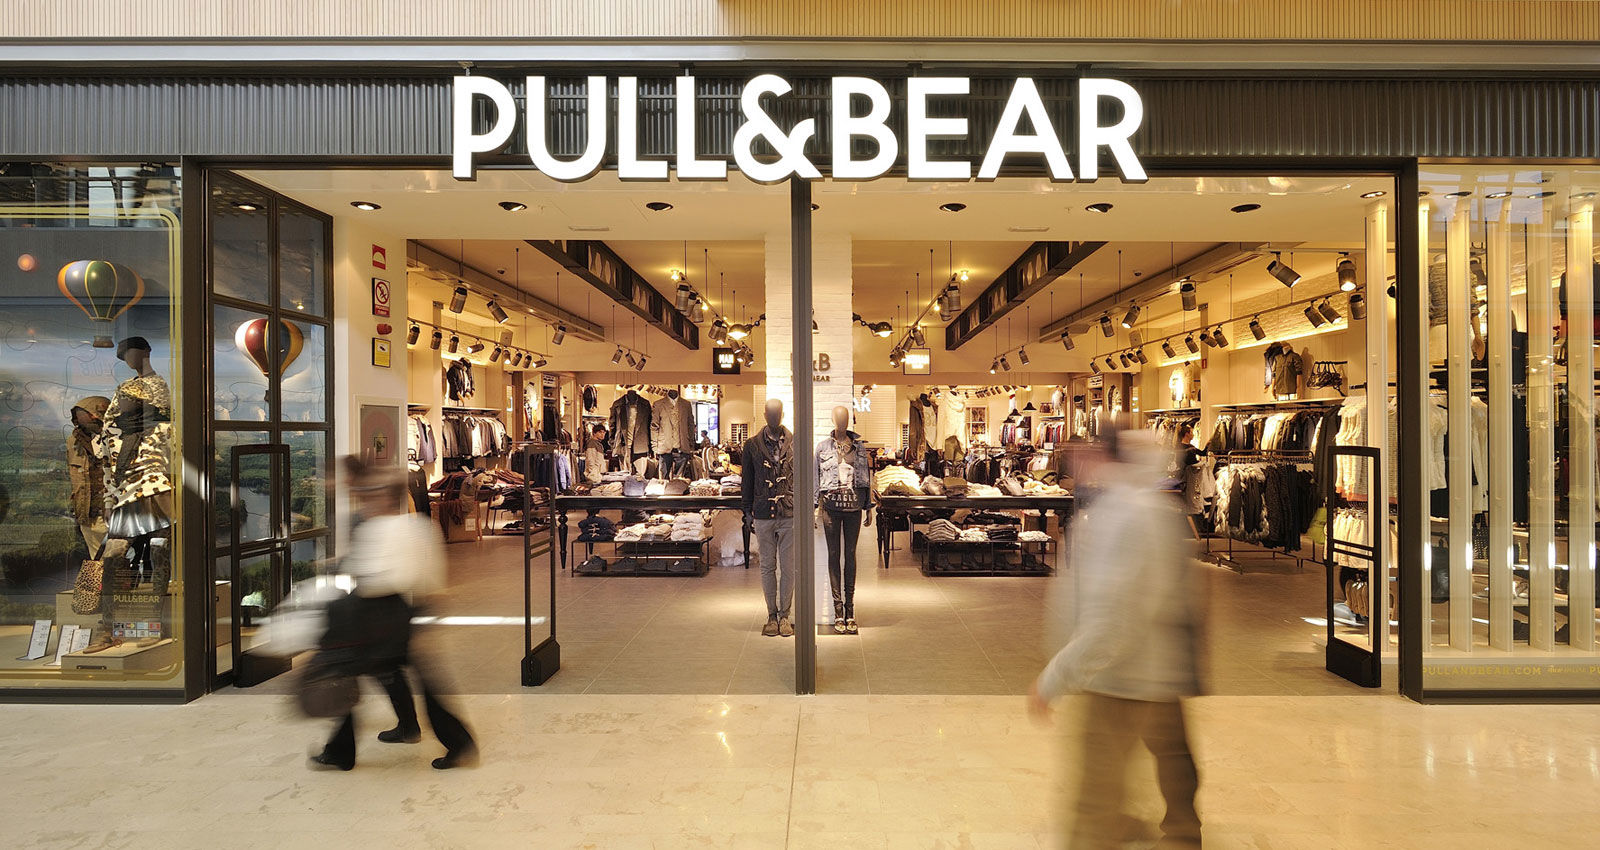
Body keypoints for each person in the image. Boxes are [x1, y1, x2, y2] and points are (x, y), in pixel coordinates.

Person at [1030, 428, 1202, 849]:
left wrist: (1056, 677)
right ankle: (1180, 834)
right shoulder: (1151, 508)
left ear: (1104, 456)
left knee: (1093, 799)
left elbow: (1114, 619)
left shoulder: (1125, 516)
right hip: (1153, 671)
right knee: (1173, 760)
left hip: (1119, 679)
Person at [309, 457, 477, 771]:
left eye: (373, 494)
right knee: (380, 675)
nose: (366, 500)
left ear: (386, 497)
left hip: (385, 617)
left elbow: (397, 577)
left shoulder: (400, 529)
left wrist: (356, 574)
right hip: (386, 616)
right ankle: (450, 740)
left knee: (347, 671)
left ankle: (345, 750)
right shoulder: (397, 527)